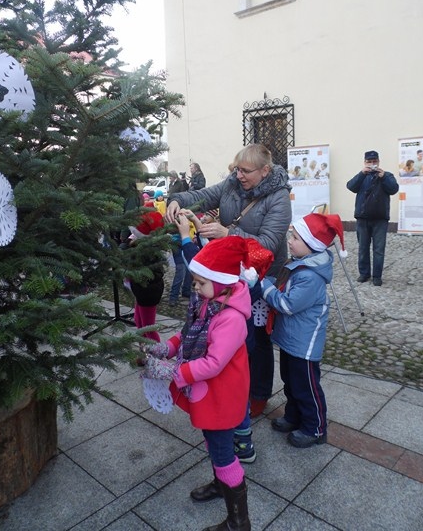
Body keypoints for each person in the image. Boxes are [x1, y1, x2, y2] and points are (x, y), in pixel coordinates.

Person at [166, 143, 292, 418]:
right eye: (237, 169)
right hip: (228, 272)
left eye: (245, 171)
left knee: (256, 337)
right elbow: (202, 195)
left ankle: (258, 393)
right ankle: (229, 384)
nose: (239, 175)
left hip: (261, 274)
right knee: (226, 333)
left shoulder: (279, 197)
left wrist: (228, 234)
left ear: (265, 171)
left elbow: (269, 244)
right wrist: (177, 200)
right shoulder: (232, 184)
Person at [141, 236, 252, 530]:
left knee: (223, 452)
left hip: (222, 394)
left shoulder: (230, 318)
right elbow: (188, 332)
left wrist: (172, 371)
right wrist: (167, 348)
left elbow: (214, 362)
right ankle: (220, 484)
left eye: (201, 282)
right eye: (194, 281)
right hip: (210, 392)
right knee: (213, 442)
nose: (195, 287)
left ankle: (238, 522)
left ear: (222, 282)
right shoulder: (209, 302)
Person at [261, 212, 347, 448]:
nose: (289, 241)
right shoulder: (299, 265)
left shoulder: (310, 276)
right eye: (291, 236)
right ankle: (294, 416)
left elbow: (287, 304)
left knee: (306, 387)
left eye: (296, 238)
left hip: (304, 345)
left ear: (312, 245)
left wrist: (264, 286)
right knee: (290, 381)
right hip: (291, 340)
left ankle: (315, 428)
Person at [346, 150, 399, 286]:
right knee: (363, 248)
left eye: (374, 161)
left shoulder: (387, 175)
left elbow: (394, 189)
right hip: (362, 218)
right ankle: (364, 274)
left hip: (380, 219)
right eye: (369, 162)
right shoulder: (362, 176)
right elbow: (350, 186)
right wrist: (361, 173)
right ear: (365, 162)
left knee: (379, 249)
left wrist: (384, 177)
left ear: (378, 162)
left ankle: (377, 276)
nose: (372, 164)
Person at [120, 211, 165, 340]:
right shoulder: (138, 244)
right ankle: (143, 347)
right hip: (140, 290)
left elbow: (150, 273)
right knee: (138, 320)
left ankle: (156, 350)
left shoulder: (147, 251)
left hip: (147, 292)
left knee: (148, 328)